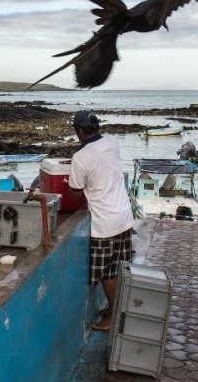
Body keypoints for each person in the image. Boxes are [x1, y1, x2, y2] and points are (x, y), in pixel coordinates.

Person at [68, 110, 134, 331]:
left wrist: (71, 181)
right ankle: (113, 308)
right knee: (118, 268)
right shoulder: (113, 142)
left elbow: (76, 192)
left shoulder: (80, 157)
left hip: (105, 223)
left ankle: (113, 316)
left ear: (78, 131)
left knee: (107, 273)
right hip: (124, 216)